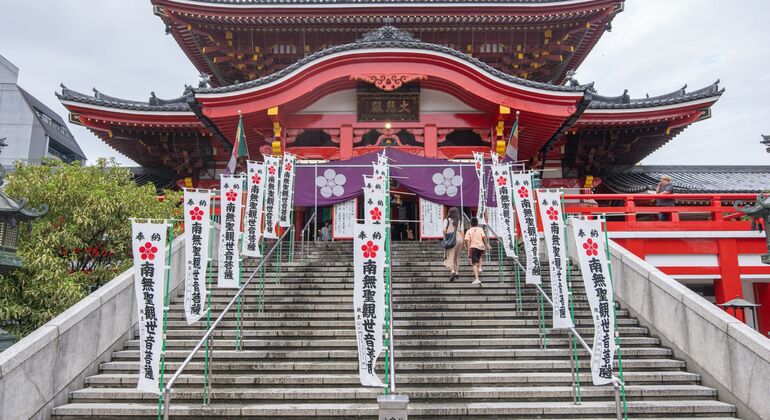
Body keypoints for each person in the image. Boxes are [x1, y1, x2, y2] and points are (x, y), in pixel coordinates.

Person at [464, 217, 489, 285]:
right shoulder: (480, 229)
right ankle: (480, 267)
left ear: (470, 224)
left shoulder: (469, 231)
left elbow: (467, 240)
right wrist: (487, 244)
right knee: (480, 256)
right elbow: (484, 237)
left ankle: (477, 279)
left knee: (474, 264)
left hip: (473, 247)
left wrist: (467, 248)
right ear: (477, 223)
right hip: (481, 247)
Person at [443, 207, 464, 281]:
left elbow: (444, 230)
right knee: (457, 256)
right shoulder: (459, 221)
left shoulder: (446, 220)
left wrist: (446, 237)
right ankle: (457, 272)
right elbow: (462, 232)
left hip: (451, 239)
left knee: (451, 255)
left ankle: (452, 271)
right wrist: (463, 243)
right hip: (460, 239)